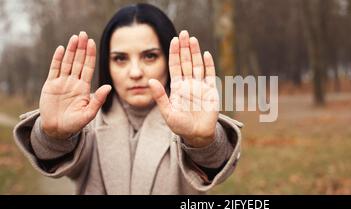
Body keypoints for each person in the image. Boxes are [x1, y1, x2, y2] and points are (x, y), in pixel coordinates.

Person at [13, 3, 242, 194]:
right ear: (107, 65)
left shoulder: (192, 119)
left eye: (150, 56)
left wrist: (203, 142)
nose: (135, 72)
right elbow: (55, 156)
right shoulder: (86, 121)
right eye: (120, 58)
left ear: (170, 59)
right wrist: (54, 135)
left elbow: (215, 162)